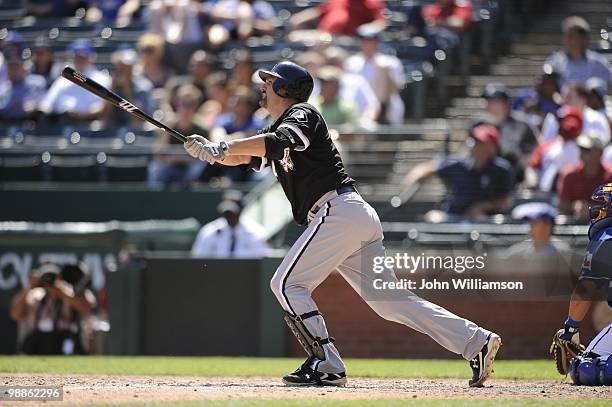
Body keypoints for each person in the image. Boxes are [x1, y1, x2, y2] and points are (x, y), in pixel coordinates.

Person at [183, 60, 502, 387]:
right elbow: (250, 155)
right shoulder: (279, 128)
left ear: (286, 89)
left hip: (337, 211)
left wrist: (223, 146)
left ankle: (326, 363)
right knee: (391, 303)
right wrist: (212, 153)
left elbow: (272, 144)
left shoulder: (303, 114)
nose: (262, 88)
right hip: (349, 216)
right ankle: (476, 342)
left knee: (286, 284)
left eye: (269, 83)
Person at [550, 183, 612, 385]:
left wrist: (570, 330)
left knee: (584, 368)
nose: (600, 211)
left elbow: (585, 290)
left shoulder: (606, 236)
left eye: (606, 206)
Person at [400, 124, 513, 220]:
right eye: (474, 141)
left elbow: (505, 201)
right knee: (433, 217)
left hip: (484, 219)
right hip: (452, 216)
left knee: (483, 219)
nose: (474, 145)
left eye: (480, 142)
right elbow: (429, 168)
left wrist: (482, 207)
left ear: (492, 147)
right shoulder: (459, 164)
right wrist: (409, 181)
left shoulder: (501, 170)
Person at [10, 263, 96, 355]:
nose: (49, 281)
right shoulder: (37, 295)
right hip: (41, 339)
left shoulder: (71, 293)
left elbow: (87, 307)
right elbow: (16, 315)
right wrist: (29, 287)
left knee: (68, 347)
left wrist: (60, 291)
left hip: (67, 337)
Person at [148, 84, 208, 187]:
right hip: (170, 168)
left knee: (198, 168)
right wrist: (168, 129)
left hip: (190, 172)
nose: (186, 108)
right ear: (177, 104)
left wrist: (175, 157)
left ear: (196, 106)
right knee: (157, 168)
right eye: (184, 103)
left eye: (191, 104)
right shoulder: (168, 126)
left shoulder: (202, 128)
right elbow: (158, 155)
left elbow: (204, 158)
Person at [344, 24, 406, 125]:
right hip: (360, 104)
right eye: (364, 41)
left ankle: (381, 118)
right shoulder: (351, 63)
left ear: (377, 43)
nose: (368, 44)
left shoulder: (390, 62)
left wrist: (385, 73)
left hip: (386, 106)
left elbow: (397, 89)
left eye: (371, 41)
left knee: (383, 70)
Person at [38, 39, 111, 123]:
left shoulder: (102, 79)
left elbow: (106, 106)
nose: (79, 60)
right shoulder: (63, 79)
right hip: (62, 122)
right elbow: (47, 103)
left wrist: (85, 115)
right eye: (77, 57)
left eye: (82, 57)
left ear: (91, 57)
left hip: (90, 123)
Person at [482, 83, 538, 180]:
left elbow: (536, 148)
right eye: (488, 101)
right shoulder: (480, 125)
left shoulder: (521, 124)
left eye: (493, 101)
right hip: (488, 176)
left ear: (506, 104)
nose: (488, 105)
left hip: (518, 175)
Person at [502, 202, 571, 277]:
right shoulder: (517, 252)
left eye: (535, 223)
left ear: (548, 226)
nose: (531, 227)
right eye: (530, 223)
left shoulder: (563, 251)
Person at [544, 16, 611, 90]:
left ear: (584, 38)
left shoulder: (598, 62)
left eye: (571, 36)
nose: (566, 39)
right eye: (566, 35)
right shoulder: (555, 61)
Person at [557, 133, 612, 220]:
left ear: (600, 153)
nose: (582, 153)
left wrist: (593, 210)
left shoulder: (610, 175)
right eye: (581, 149)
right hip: (574, 226)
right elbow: (562, 206)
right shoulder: (569, 174)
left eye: (587, 150)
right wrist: (574, 207)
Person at [191, 198, 269, 258]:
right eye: (226, 213)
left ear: (240, 211)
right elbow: (198, 257)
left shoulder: (256, 232)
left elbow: (263, 258)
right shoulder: (209, 231)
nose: (229, 216)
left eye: (232, 213)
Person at [529, 106, 583, 192]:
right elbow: (533, 168)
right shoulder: (546, 146)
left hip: (575, 194)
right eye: (561, 121)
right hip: (546, 193)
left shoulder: (587, 148)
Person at [540, 83, 610, 145]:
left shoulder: (597, 118)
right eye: (564, 97)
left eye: (569, 97)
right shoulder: (553, 117)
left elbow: (603, 143)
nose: (565, 101)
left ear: (583, 99)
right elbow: (545, 143)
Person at [102, 49, 155, 129]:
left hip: (136, 131)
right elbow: (104, 117)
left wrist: (126, 90)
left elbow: (140, 118)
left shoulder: (143, 86)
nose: (122, 70)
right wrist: (112, 89)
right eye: (120, 67)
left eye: (126, 67)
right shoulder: (111, 86)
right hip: (114, 129)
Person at [288, 0, 385, 36]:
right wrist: (298, 19)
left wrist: (364, 30)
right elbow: (319, 11)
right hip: (323, 34)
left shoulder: (370, 2)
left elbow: (380, 23)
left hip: (346, 39)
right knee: (294, 37)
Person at [0, 55, 46, 123]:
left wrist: (34, 105)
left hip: (32, 123)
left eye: (16, 68)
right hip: (7, 123)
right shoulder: (3, 87)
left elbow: (45, 103)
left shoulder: (36, 82)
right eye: (11, 68)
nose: (13, 71)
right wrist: (12, 105)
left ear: (23, 68)